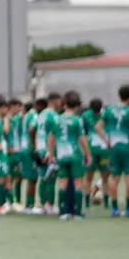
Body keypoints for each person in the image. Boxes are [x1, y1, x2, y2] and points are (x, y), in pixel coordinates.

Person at [96, 85, 129, 217]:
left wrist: (106, 141)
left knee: (114, 178)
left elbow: (98, 127)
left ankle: (114, 209)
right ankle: (127, 208)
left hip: (114, 147)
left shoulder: (109, 110)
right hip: (127, 146)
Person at [46, 90, 91, 221]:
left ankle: (63, 212)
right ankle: (77, 212)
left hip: (61, 155)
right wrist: (88, 154)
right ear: (77, 106)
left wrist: (51, 154)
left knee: (62, 182)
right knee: (78, 182)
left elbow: (51, 138)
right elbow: (82, 139)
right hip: (75, 155)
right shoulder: (77, 120)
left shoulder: (57, 119)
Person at [34, 94, 62, 215]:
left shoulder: (41, 114)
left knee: (42, 178)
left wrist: (37, 148)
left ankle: (43, 204)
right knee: (51, 178)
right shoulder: (53, 115)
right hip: (47, 151)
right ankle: (49, 204)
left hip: (40, 149)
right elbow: (53, 134)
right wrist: (50, 153)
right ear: (55, 101)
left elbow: (35, 131)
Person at [81, 98, 109, 211]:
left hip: (92, 149)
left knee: (89, 177)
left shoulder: (86, 115)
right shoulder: (105, 114)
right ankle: (106, 202)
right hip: (102, 150)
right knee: (104, 177)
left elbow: (83, 133)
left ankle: (88, 202)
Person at [6, 98, 31, 212]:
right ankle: (9, 201)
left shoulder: (19, 119)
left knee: (19, 176)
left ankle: (17, 200)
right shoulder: (6, 119)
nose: (20, 110)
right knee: (9, 177)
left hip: (18, 151)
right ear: (13, 106)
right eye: (18, 107)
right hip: (9, 152)